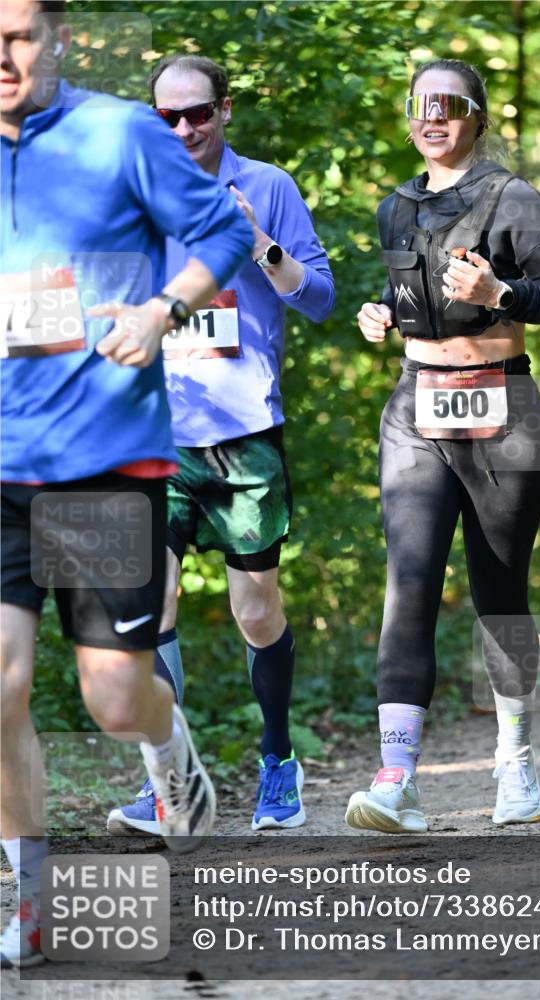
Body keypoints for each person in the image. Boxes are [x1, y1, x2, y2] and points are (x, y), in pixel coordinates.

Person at [0, 0, 254, 967]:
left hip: (107, 457)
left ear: (60, 37)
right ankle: (29, 901)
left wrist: (158, 311)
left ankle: (165, 749)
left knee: (114, 698)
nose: (4, 55)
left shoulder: (122, 133)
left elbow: (221, 239)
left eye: (20, 34)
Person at [345, 59, 540, 834]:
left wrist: (500, 294)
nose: (432, 118)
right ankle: (396, 779)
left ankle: (514, 763)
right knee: (407, 583)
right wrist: (379, 315)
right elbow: (404, 292)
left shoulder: (513, 198)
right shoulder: (394, 207)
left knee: (498, 594)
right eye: (420, 105)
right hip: (416, 408)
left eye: (449, 105)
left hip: (502, 408)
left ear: (474, 116)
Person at [106, 55, 334, 837]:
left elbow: (322, 299)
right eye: (167, 118)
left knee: (255, 612)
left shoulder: (267, 184)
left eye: (197, 113)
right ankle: (173, 781)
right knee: (148, 603)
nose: (184, 130)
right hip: (153, 438)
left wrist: (263, 245)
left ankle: (278, 761)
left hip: (243, 439)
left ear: (224, 110)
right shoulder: (131, 196)